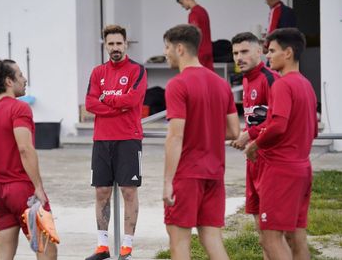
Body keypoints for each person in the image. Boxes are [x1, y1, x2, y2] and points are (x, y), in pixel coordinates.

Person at [162, 24, 240, 260]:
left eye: (167, 47)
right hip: (214, 173)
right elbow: (234, 131)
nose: (165, 53)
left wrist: (167, 182)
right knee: (212, 238)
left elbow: (175, 136)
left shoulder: (178, 84)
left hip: (186, 174)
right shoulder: (221, 83)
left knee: (179, 243)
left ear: (179, 48)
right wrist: (206, 131)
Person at [0, 59, 57, 260]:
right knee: (46, 251)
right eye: (20, 75)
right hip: (22, 190)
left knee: (3, 254)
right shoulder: (19, 109)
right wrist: (38, 188)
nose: (24, 80)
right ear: (9, 81)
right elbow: (25, 149)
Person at [244, 28, 318, 260]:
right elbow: (313, 130)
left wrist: (255, 145)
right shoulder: (306, 85)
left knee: (270, 238)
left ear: (288, 53)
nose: (268, 56)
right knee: (296, 237)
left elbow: (277, 125)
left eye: (272, 51)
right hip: (302, 167)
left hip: (281, 170)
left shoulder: (282, 85)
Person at [85, 24, 147, 260]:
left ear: (126, 44)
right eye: (110, 44)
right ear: (105, 46)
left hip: (128, 139)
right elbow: (90, 104)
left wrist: (106, 101)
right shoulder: (97, 72)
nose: (115, 48)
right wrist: (117, 106)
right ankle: (102, 247)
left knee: (129, 192)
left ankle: (127, 249)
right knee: (101, 191)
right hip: (101, 139)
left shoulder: (137, 70)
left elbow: (133, 100)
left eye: (119, 43)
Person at [229, 32, 280, 259]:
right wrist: (244, 133)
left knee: (273, 233)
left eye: (244, 51)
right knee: (261, 230)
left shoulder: (271, 79)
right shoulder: (246, 78)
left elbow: (277, 120)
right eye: (235, 53)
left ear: (260, 51)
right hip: (253, 160)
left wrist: (248, 134)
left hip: (272, 162)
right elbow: (256, 118)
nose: (239, 57)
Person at [176, 0, 214, 71]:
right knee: (209, 77)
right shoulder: (203, 11)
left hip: (199, 52)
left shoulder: (194, 14)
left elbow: (191, 34)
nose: (182, 6)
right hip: (208, 50)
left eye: (182, 3)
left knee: (197, 78)